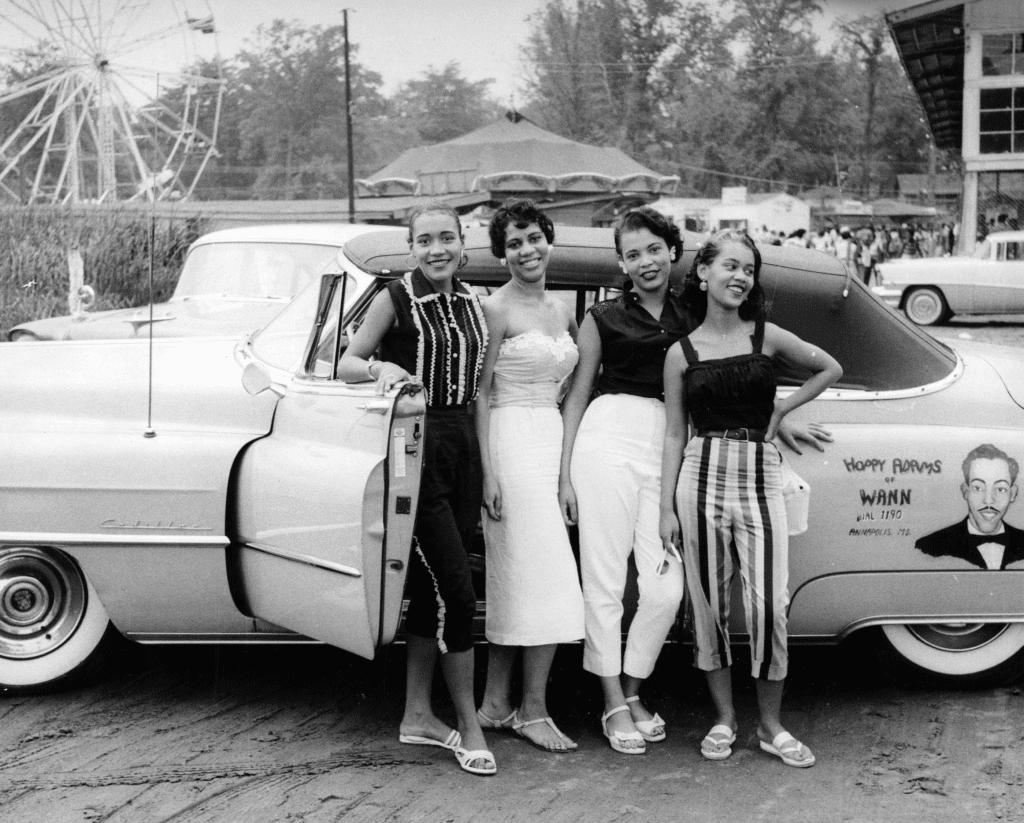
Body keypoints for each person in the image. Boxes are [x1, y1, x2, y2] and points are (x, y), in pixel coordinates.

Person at [659, 229, 842, 768]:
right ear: (703, 272)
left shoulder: (765, 335)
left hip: (760, 476)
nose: (741, 277)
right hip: (700, 473)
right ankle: (724, 719)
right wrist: (667, 506)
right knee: (708, 605)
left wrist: (782, 411)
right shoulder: (681, 352)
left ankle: (771, 727)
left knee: (769, 608)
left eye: (749, 270)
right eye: (731, 266)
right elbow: (675, 432)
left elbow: (829, 367)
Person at [336, 203, 495, 777]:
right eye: (425, 240)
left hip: (464, 452)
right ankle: (469, 725)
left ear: (462, 243)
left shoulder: (475, 301)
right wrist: (381, 370)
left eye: (446, 239)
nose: (437, 250)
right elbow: (348, 362)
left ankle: (417, 716)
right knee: (458, 591)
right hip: (416, 454)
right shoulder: (394, 298)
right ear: (411, 248)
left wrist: (487, 473)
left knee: (432, 592)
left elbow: (479, 392)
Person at [558, 206, 690, 755]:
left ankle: (634, 687)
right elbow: (578, 393)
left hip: (669, 440)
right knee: (606, 578)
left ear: (672, 251)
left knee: (664, 587)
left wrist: (785, 413)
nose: (645, 262)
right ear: (622, 264)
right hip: (606, 437)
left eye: (653, 249)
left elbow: (740, 364)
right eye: (632, 254)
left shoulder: (697, 314)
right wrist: (564, 473)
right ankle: (613, 700)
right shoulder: (603, 318)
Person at [474, 199, 585, 753]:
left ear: (548, 239)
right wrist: (487, 474)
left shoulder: (564, 309)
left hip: (548, 440)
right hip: (509, 440)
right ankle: (532, 711)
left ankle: (497, 704)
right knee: (542, 575)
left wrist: (566, 475)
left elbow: (568, 393)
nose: (526, 251)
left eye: (533, 238)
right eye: (513, 244)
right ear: (502, 256)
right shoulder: (494, 310)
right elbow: (480, 395)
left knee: (520, 577)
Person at [915, 444, 1024, 570]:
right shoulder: (930, 546)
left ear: (1013, 493)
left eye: (1000, 489)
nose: (988, 500)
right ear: (965, 491)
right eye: (977, 488)